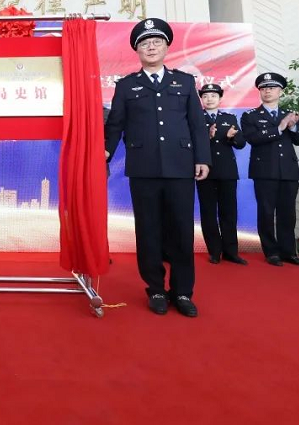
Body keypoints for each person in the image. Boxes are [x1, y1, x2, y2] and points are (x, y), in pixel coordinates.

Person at [104, 18, 210, 318]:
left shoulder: (184, 82)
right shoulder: (126, 85)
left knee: (181, 230)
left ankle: (183, 291)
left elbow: (197, 124)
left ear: (166, 47)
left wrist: (202, 158)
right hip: (144, 168)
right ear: (137, 50)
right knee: (148, 230)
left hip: (180, 166)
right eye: (145, 43)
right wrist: (105, 152)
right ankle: (156, 289)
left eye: (156, 42)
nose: (151, 47)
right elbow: (116, 125)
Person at [239, 72, 299, 267]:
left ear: (280, 91)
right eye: (263, 88)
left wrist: (293, 127)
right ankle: (271, 252)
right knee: (266, 212)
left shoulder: (289, 114)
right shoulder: (250, 115)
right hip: (264, 171)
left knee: (288, 213)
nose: (267, 91)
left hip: (288, 171)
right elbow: (252, 138)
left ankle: (288, 252)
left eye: (271, 88)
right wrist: (279, 128)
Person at [197, 83, 248, 265]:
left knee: (229, 212)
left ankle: (231, 252)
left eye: (213, 96)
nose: (209, 99)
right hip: (205, 172)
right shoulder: (196, 118)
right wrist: (208, 136)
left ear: (220, 99)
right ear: (201, 100)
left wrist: (233, 136)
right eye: (205, 96)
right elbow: (190, 142)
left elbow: (241, 143)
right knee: (208, 213)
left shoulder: (229, 118)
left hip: (227, 171)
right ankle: (214, 251)